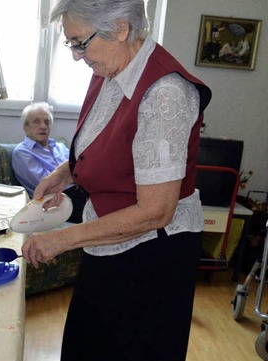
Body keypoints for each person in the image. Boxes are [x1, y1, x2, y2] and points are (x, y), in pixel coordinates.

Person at [21, 1, 212, 360]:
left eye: (80, 42)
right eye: (71, 44)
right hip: (110, 238)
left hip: (151, 258)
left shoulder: (165, 93)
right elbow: (109, 141)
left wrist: (61, 239)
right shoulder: (112, 70)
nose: (77, 56)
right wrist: (63, 173)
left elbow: (156, 212)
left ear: (121, 28)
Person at [11, 102, 69, 199]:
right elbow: (46, 186)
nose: (43, 126)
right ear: (26, 127)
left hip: (81, 191)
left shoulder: (61, 147)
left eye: (47, 122)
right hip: (53, 201)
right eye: (36, 121)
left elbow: (80, 169)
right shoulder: (22, 152)